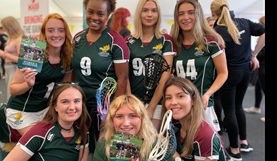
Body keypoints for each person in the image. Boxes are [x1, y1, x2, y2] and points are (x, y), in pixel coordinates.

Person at [0, 13, 76, 154]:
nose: (56, 34)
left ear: (66, 33)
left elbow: (63, 87)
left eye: (60, 30)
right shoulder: (34, 51)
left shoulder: (67, 56)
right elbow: (13, 89)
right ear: (44, 33)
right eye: (50, 30)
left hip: (45, 110)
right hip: (22, 110)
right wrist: (28, 84)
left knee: (62, 140)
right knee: (41, 144)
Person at [72, 0, 130, 153]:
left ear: (108, 15)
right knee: (80, 150)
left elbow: (122, 79)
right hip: (78, 106)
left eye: (100, 14)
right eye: (90, 12)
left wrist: (112, 112)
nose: (94, 17)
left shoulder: (116, 41)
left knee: (103, 151)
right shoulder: (77, 38)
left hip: (102, 109)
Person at [210, 0, 264, 159]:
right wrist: (254, 55)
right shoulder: (244, 22)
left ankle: (234, 151)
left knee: (230, 110)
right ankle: (244, 142)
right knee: (238, 106)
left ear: (214, 13)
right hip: (246, 72)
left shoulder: (217, 31)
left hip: (229, 74)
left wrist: (254, 54)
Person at [170, 0, 228, 135]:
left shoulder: (211, 41)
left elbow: (223, 73)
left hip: (203, 106)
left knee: (204, 149)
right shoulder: (173, 43)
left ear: (198, 14)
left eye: (190, 13)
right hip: (179, 106)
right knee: (181, 148)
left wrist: (208, 94)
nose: (185, 18)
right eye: (181, 14)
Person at [3, 83, 91, 161]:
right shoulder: (39, 132)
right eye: (65, 102)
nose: (72, 107)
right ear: (55, 106)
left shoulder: (83, 131)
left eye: (77, 101)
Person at [125, 0, 175, 130]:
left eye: (154, 11)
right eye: (145, 10)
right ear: (139, 13)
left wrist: (152, 107)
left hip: (156, 103)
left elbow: (166, 74)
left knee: (151, 143)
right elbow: (124, 74)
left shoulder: (166, 40)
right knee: (133, 143)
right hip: (133, 101)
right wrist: (130, 100)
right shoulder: (128, 41)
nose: (149, 14)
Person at [93, 94, 174, 161]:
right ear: (112, 121)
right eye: (119, 116)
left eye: (133, 116)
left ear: (142, 119)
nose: (126, 123)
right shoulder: (103, 144)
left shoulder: (155, 145)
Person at [163, 77, 226, 161]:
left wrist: (172, 153)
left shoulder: (205, 135)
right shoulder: (173, 123)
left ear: (193, 100)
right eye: (168, 98)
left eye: (180, 96)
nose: (173, 102)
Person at [0, 16, 26, 99]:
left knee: (13, 94)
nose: (4, 30)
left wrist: (4, 54)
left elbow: (23, 60)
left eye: (5, 28)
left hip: (15, 68)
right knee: (9, 93)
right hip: (8, 68)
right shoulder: (11, 39)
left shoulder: (19, 39)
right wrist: (0, 53)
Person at [243, 16, 265, 123]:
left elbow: (262, 54)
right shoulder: (261, 38)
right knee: (258, 86)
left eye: (261, 23)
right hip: (261, 66)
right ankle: (256, 107)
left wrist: (253, 55)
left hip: (264, 66)